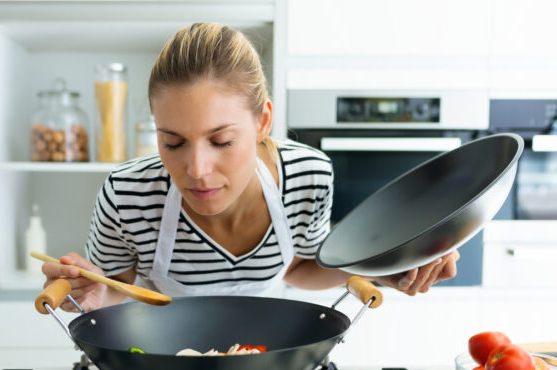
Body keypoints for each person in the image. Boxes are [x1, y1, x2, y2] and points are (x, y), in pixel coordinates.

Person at [42, 23, 459, 312]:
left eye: (221, 141)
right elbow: (116, 290)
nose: (197, 169)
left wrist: (384, 269)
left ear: (262, 122)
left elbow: (300, 268)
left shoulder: (307, 176)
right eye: (172, 142)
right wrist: (92, 295)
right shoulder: (127, 193)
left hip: (260, 357)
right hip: (158, 367)